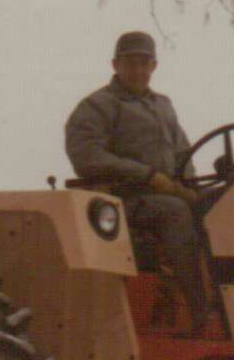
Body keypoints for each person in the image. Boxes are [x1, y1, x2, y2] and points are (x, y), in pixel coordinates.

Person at [64, 31, 208, 333]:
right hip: (118, 201)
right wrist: (147, 175)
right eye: (131, 62)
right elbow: (86, 156)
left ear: (154, 66)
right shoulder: (98, 106)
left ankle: (228, 304)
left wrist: (191, 185)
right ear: (115, 64)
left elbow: (182, 151)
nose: (138, 70)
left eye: (144, 63)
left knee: (223, 204)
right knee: (174, 212)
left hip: (164, 193)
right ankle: (199, 312)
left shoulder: (163, 105)